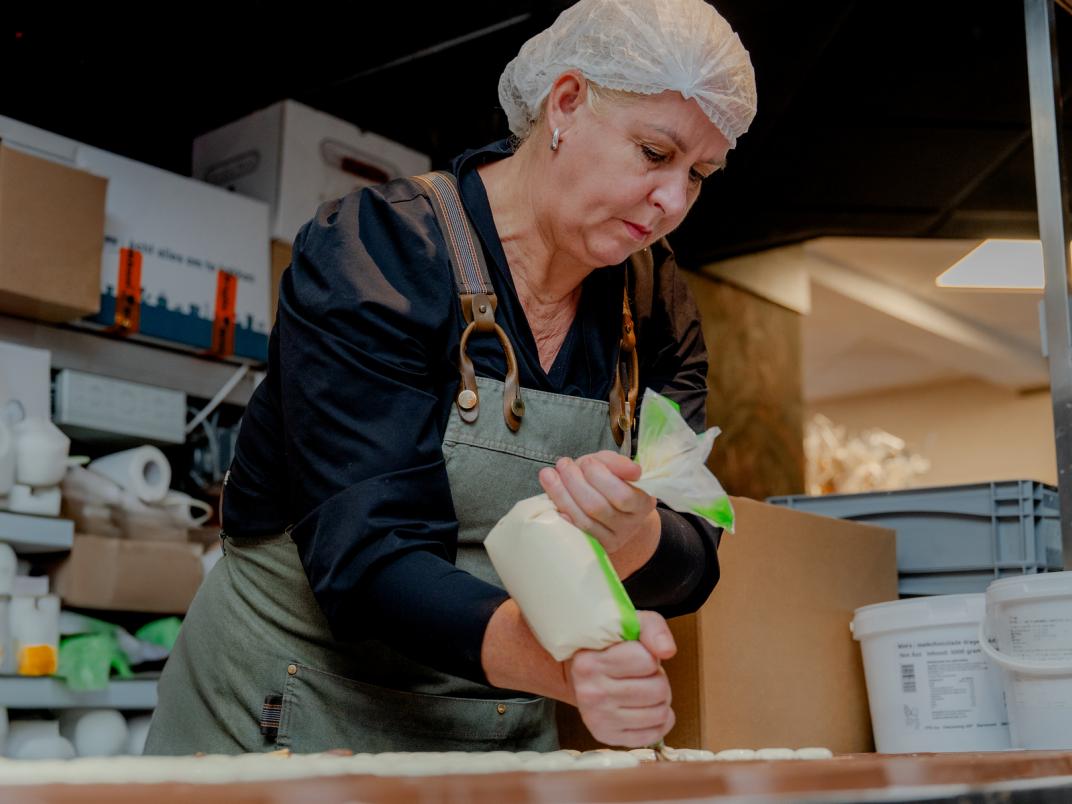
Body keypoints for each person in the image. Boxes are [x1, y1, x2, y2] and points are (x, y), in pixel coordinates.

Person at [145, 0, 756, 755]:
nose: (673, 204)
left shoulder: (650, 305)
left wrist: (636, 537)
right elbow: (369, 554)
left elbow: (698, 549)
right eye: (655, 154)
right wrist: (559, 665)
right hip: (290, 707)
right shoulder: (381, 254)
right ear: (566, 102)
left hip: (499, 724)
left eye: (699, 175)